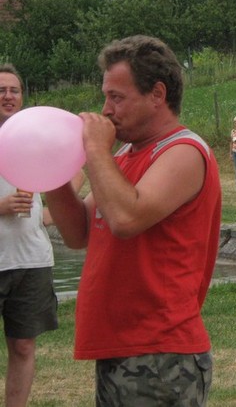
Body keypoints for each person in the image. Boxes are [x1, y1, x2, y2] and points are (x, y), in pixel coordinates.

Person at [45, 35, 222, 406]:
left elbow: (126, 218)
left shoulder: (184, 152)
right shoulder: (125, 154)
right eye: (106, 96)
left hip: (161, 352)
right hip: (121, 347)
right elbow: (79, 232)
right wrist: (53, 172)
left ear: (157, 94)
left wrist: (96, 150)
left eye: (117, 97)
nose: (106, 109)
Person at [0, 64, 58, 407]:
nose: (8, 96)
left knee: (23, 346)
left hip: (31, 260)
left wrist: (48, 214)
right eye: (1, 90)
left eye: (14, 90)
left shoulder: (35, 140)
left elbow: (74, 174)